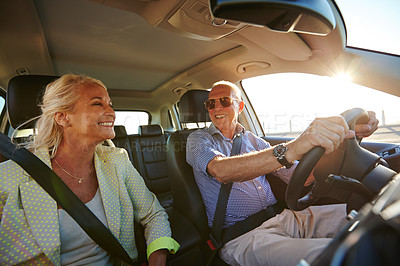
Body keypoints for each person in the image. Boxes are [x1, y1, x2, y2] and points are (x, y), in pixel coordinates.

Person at [186, 81, 379, 266]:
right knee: (347, 254)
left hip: (283, 217)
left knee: (370, 216)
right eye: (210, 103)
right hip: (243, 237)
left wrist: (343, 139)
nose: (217, 108)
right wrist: (293, 147)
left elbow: (296, 175)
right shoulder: (197, 140)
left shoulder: (251, 139)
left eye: (224, 101)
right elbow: (220, 170)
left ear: (240, 106)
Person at [0, 74, 180, 265]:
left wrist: (157, 256)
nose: (112, 112)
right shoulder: (10, 176)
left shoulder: (117, 161)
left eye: (110, 104)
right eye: (97, 104)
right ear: (63, 117)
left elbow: (153, 214)